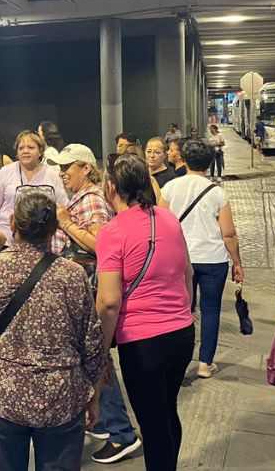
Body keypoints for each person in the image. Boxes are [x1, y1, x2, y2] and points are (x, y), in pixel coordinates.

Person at [0, 189, 107, 471]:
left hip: (1, 396)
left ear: (12, 224)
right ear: (55, 229)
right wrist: (92, 395)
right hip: (61, 397)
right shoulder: (73, 275)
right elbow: (93, 346)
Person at [96, 153, 195, 470]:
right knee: (167, 411)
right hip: (181, 333)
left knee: (152, 426)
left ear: (112, 189)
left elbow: (109, 302)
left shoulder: (112, 232)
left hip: (142, 343)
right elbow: (187, 274)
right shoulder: (169, 219)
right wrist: (183, 313)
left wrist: (101, 348)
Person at [47, 144, 142, 464]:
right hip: (80, 289)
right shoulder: (83, 197)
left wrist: (66, 224)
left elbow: (103, 245)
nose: (62, 173)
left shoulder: (91, 199)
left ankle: (121, 432)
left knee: (97, 357)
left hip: (87, 289)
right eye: (59, 168)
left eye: (67, 167)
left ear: (86, 168)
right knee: (90, 356)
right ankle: (102, 420)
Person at [159, 139, 243, 379]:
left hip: (179, 258)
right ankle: (205, 363)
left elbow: (161, 224)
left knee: (181, 309)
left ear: (184, 160)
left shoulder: (171, 188)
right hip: (213, 260)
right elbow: (228, 233)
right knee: (210, 310)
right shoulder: (217, 193)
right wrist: (237, 262)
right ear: (208, 164)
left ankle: (178, 361)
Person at [0, 131, 68, 252]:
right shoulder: (6, 171)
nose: (25, 151)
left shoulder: (52, 175)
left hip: (43, 240)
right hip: (8, 240)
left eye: (31, 147)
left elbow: (64, 207)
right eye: (21, 148)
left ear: (40, 151)